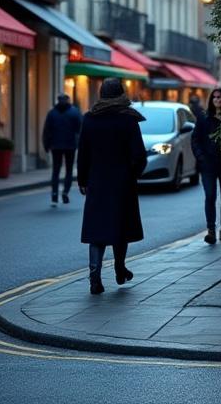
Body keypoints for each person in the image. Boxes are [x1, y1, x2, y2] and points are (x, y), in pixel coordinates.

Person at [77, 78, 148, 295]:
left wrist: (83, 180)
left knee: (96, 230)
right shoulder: (128, 119)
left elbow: (83, 153)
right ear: (121, 93)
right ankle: (119, 268)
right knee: (121, 227)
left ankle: (95, 278)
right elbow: (139, 155)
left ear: (101, 94)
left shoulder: (90, 119)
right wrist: (132, 174)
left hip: (97, 182)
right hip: (122, 183)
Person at [193, 88, 221, 243]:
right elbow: (195, 140)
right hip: (208, 165)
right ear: (211, 100)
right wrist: (201, 157)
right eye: (214, 97)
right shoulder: (203, 117)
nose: (217, 99)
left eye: (220, 97)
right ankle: (211, 230)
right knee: (210, 195)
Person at [42, 94, 82, 205]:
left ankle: (55, 194)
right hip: (70, 145)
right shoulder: (74, 112)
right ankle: (65, 192)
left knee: (56, 170)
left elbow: (47, 130)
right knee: (69, 170)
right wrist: (80, 144)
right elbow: (80, 129)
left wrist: (46, 145)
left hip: (56, 146)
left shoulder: (52, 113)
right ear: (68, 100)